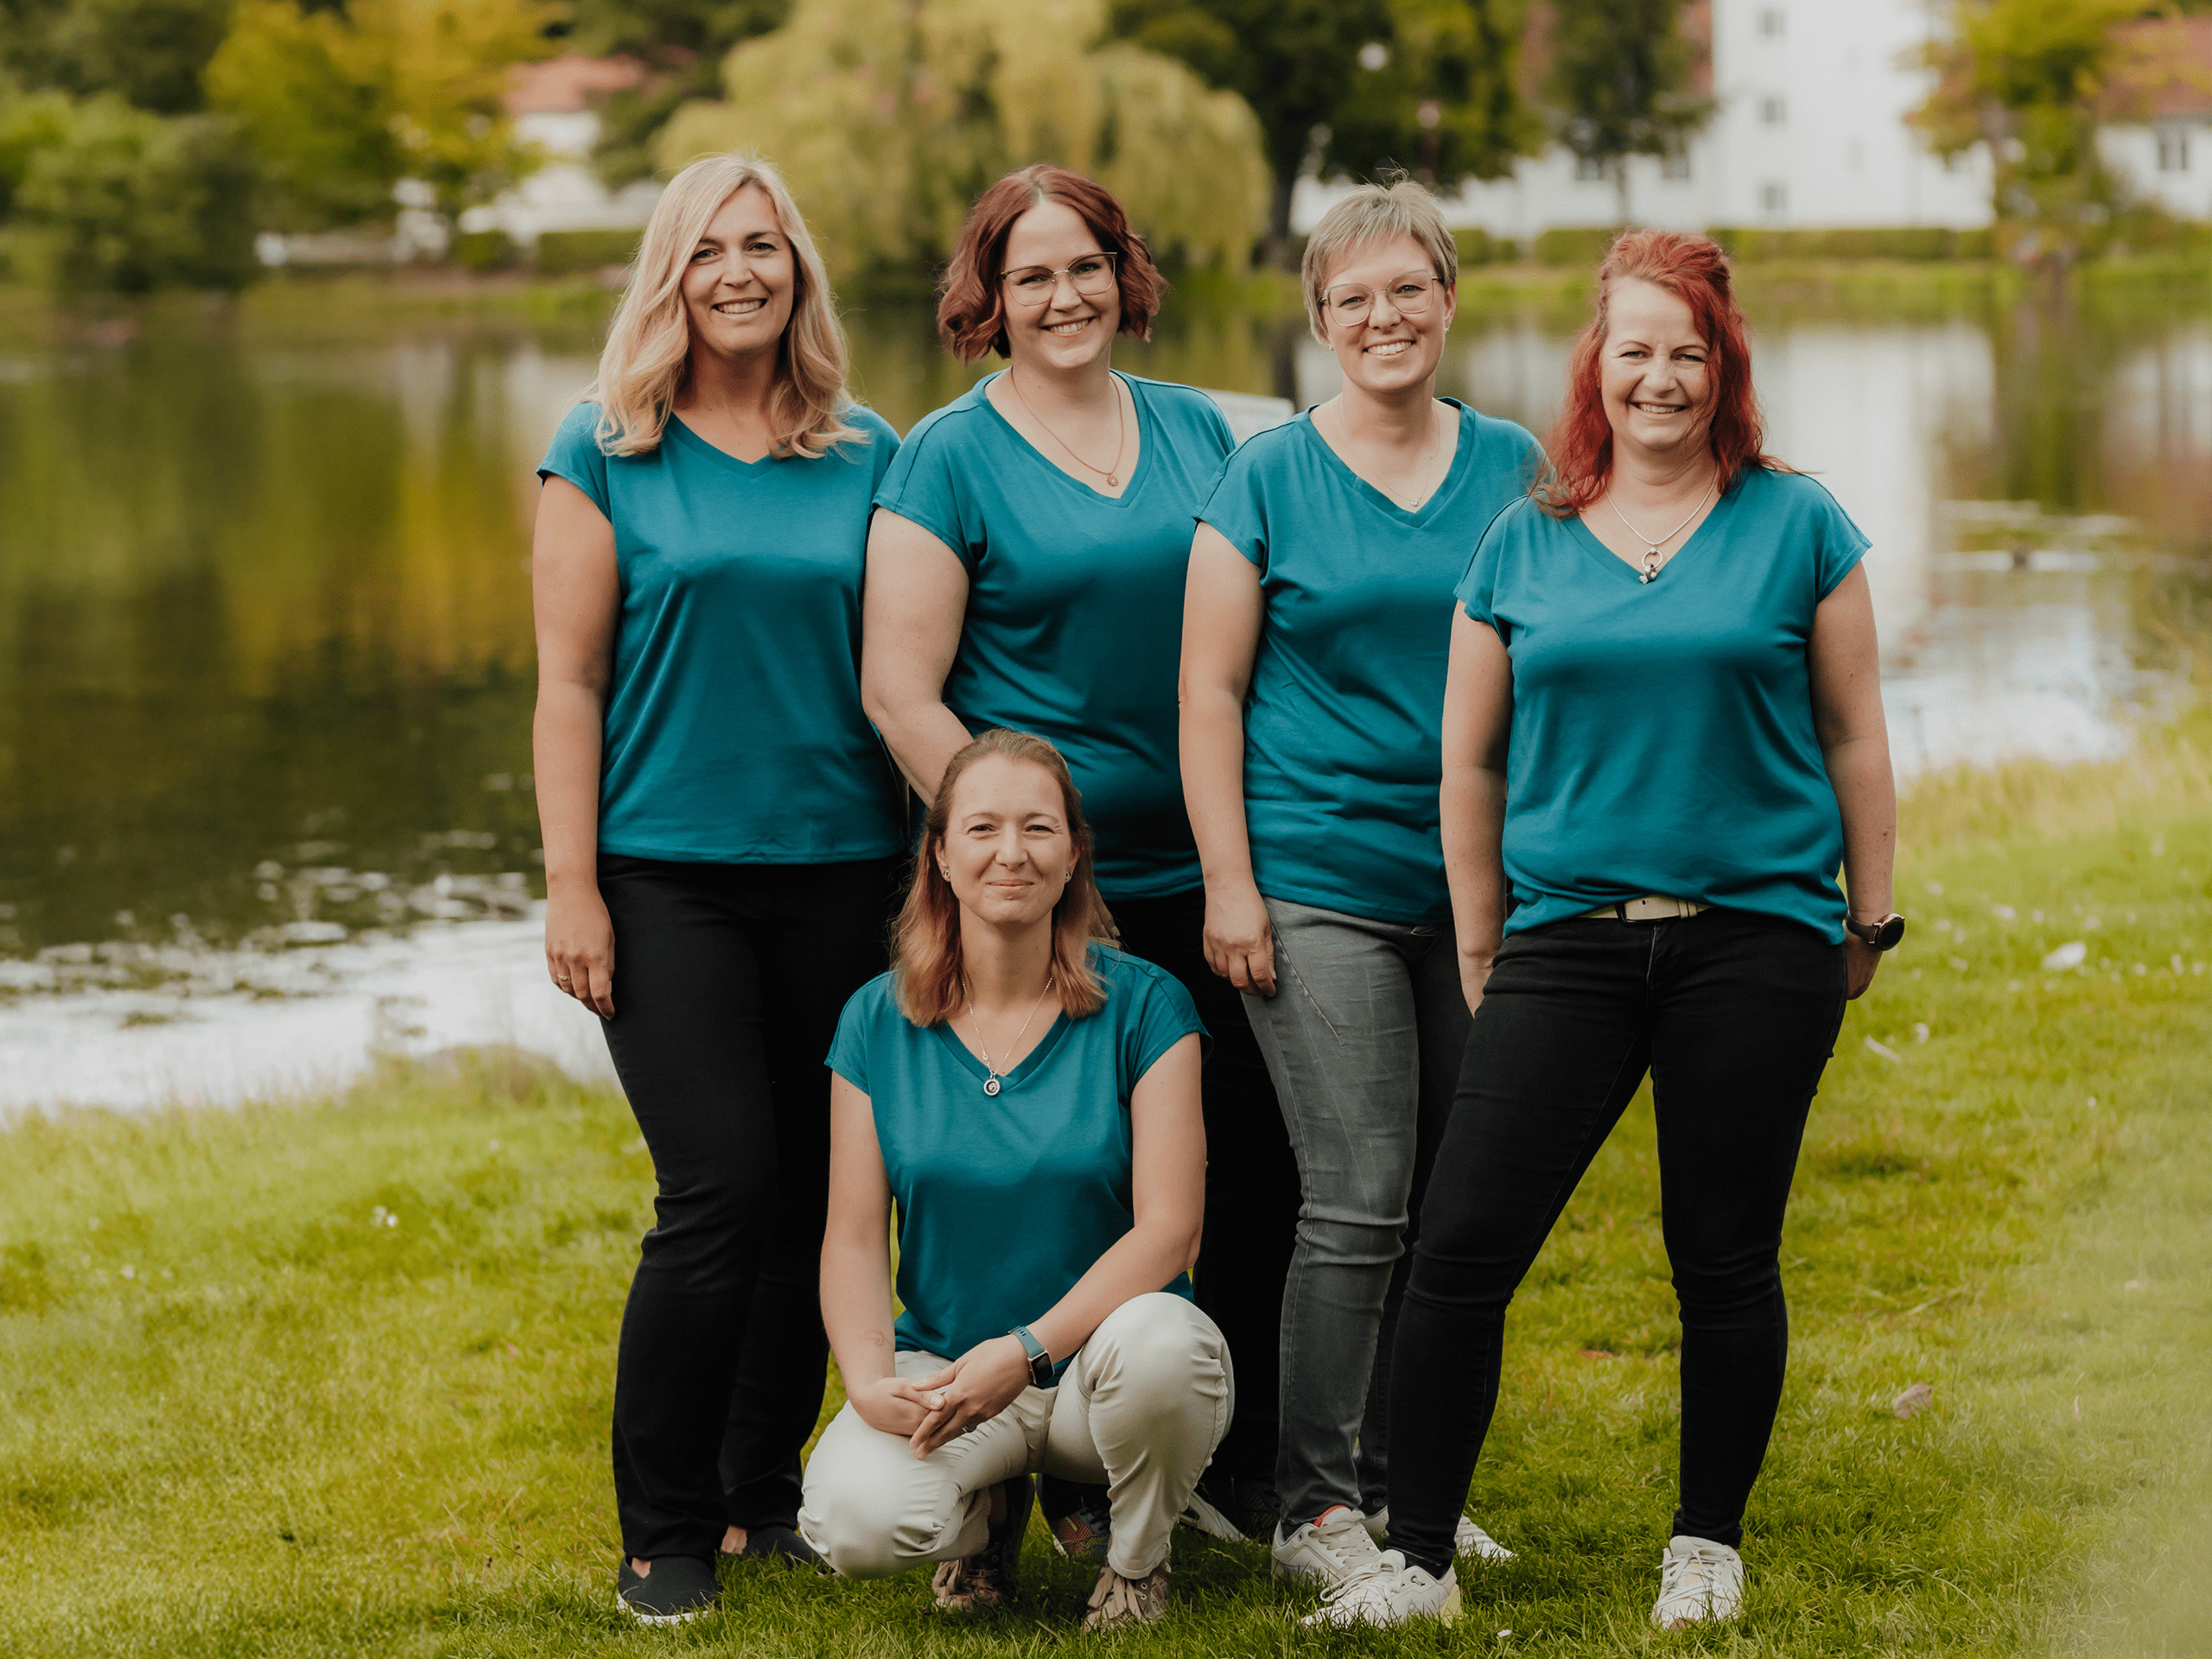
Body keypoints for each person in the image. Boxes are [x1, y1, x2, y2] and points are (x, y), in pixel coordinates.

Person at [1313, 230, 1903, 1631]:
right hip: (1566, 940)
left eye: (1686, 352)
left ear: (1724, 367)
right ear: (1598, 364)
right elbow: (1470, 765)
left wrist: (1869, 915)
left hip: (1754, 941)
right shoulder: (1525, 538)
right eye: (1633, 349)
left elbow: (1855, 735)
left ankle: (1706, 1544)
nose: (1659, 377)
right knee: (1459, 1248)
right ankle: (1419, 1563)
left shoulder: (1798, 523)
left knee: (1723, 1252)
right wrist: (1479, 939)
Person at [861, 163, 1296, 1543]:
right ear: (988, 298)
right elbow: (898, 690)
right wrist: (1020, 861)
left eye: (1088, 265)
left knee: (1254, 1172)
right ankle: (1044, 1473)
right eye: (1031, 273)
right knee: (1074, 1182)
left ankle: (1241, 1467)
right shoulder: (945, 456)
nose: (1065, 296)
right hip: (1051, 910)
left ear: (1128, 277)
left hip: (1214, 875)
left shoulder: (1198, 433)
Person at [531, 152, 906, 1625]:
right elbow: (567, 684)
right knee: (719, 1193)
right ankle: (662, 1533)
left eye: (764, 246)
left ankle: (763, 1501)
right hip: (666, 876)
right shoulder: (602, 446)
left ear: (798, 269)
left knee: (821, 1195)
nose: (741, 271)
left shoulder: (866, 449)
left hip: (845, 875)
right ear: (670, 275)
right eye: (710, 250)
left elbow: (905, 668)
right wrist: (574, 886)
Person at [1179, 176, 1539, 1596]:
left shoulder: (1516, 466)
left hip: (1478, 895)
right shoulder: (1266, 475)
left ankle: (1418, 1494)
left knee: (1460, 1206)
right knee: (1360, 1195)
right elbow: (1207, 692)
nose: (1382, 318)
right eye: (1352, 299)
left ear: (1448, 298)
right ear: (1319, 319)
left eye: (1407, 290)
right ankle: (1321, 1509)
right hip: (1315, 879)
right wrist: (1229, 884)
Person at [797, 729, 1231, 1629]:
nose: (1010, 853)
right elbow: (849, 1233)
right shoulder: (875, 1021)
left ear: (1073, 854)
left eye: (1037, 829)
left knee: (1168, 1346)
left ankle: (1136, 1560)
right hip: (951, 1373)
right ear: (941, 856)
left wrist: (1028, 1351)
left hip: (1097, 1372)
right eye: (983, 828)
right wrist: (868, 1377)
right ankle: (987, 1518)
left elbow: (1170, 1231)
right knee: (851, 1523)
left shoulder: (1148, 1006)